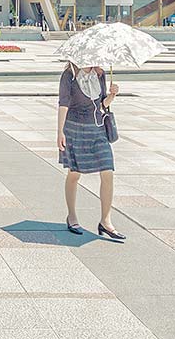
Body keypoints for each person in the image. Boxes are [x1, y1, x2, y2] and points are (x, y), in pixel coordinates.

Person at [57, 60, 123, 242]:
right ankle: (72, 216)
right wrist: (60, 131)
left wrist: (112, 95)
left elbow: (103, 105)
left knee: (108, 170)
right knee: (74, 174)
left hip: (97, 129)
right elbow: (63, 104)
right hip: (74, 129)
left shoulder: (100, 74)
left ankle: (106, 220)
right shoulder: (69, 75)